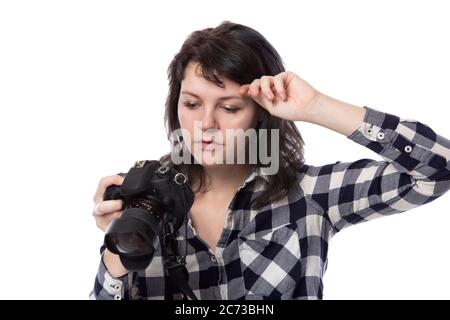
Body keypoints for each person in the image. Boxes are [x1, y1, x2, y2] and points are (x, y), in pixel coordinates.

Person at [90, 21, 450, 300]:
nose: (206, 125)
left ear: (261, 113)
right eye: (192, 104)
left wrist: (316, 107)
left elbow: (438, 169)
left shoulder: (308, 195)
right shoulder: (146, 198)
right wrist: (119, 249)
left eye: (229, 107)